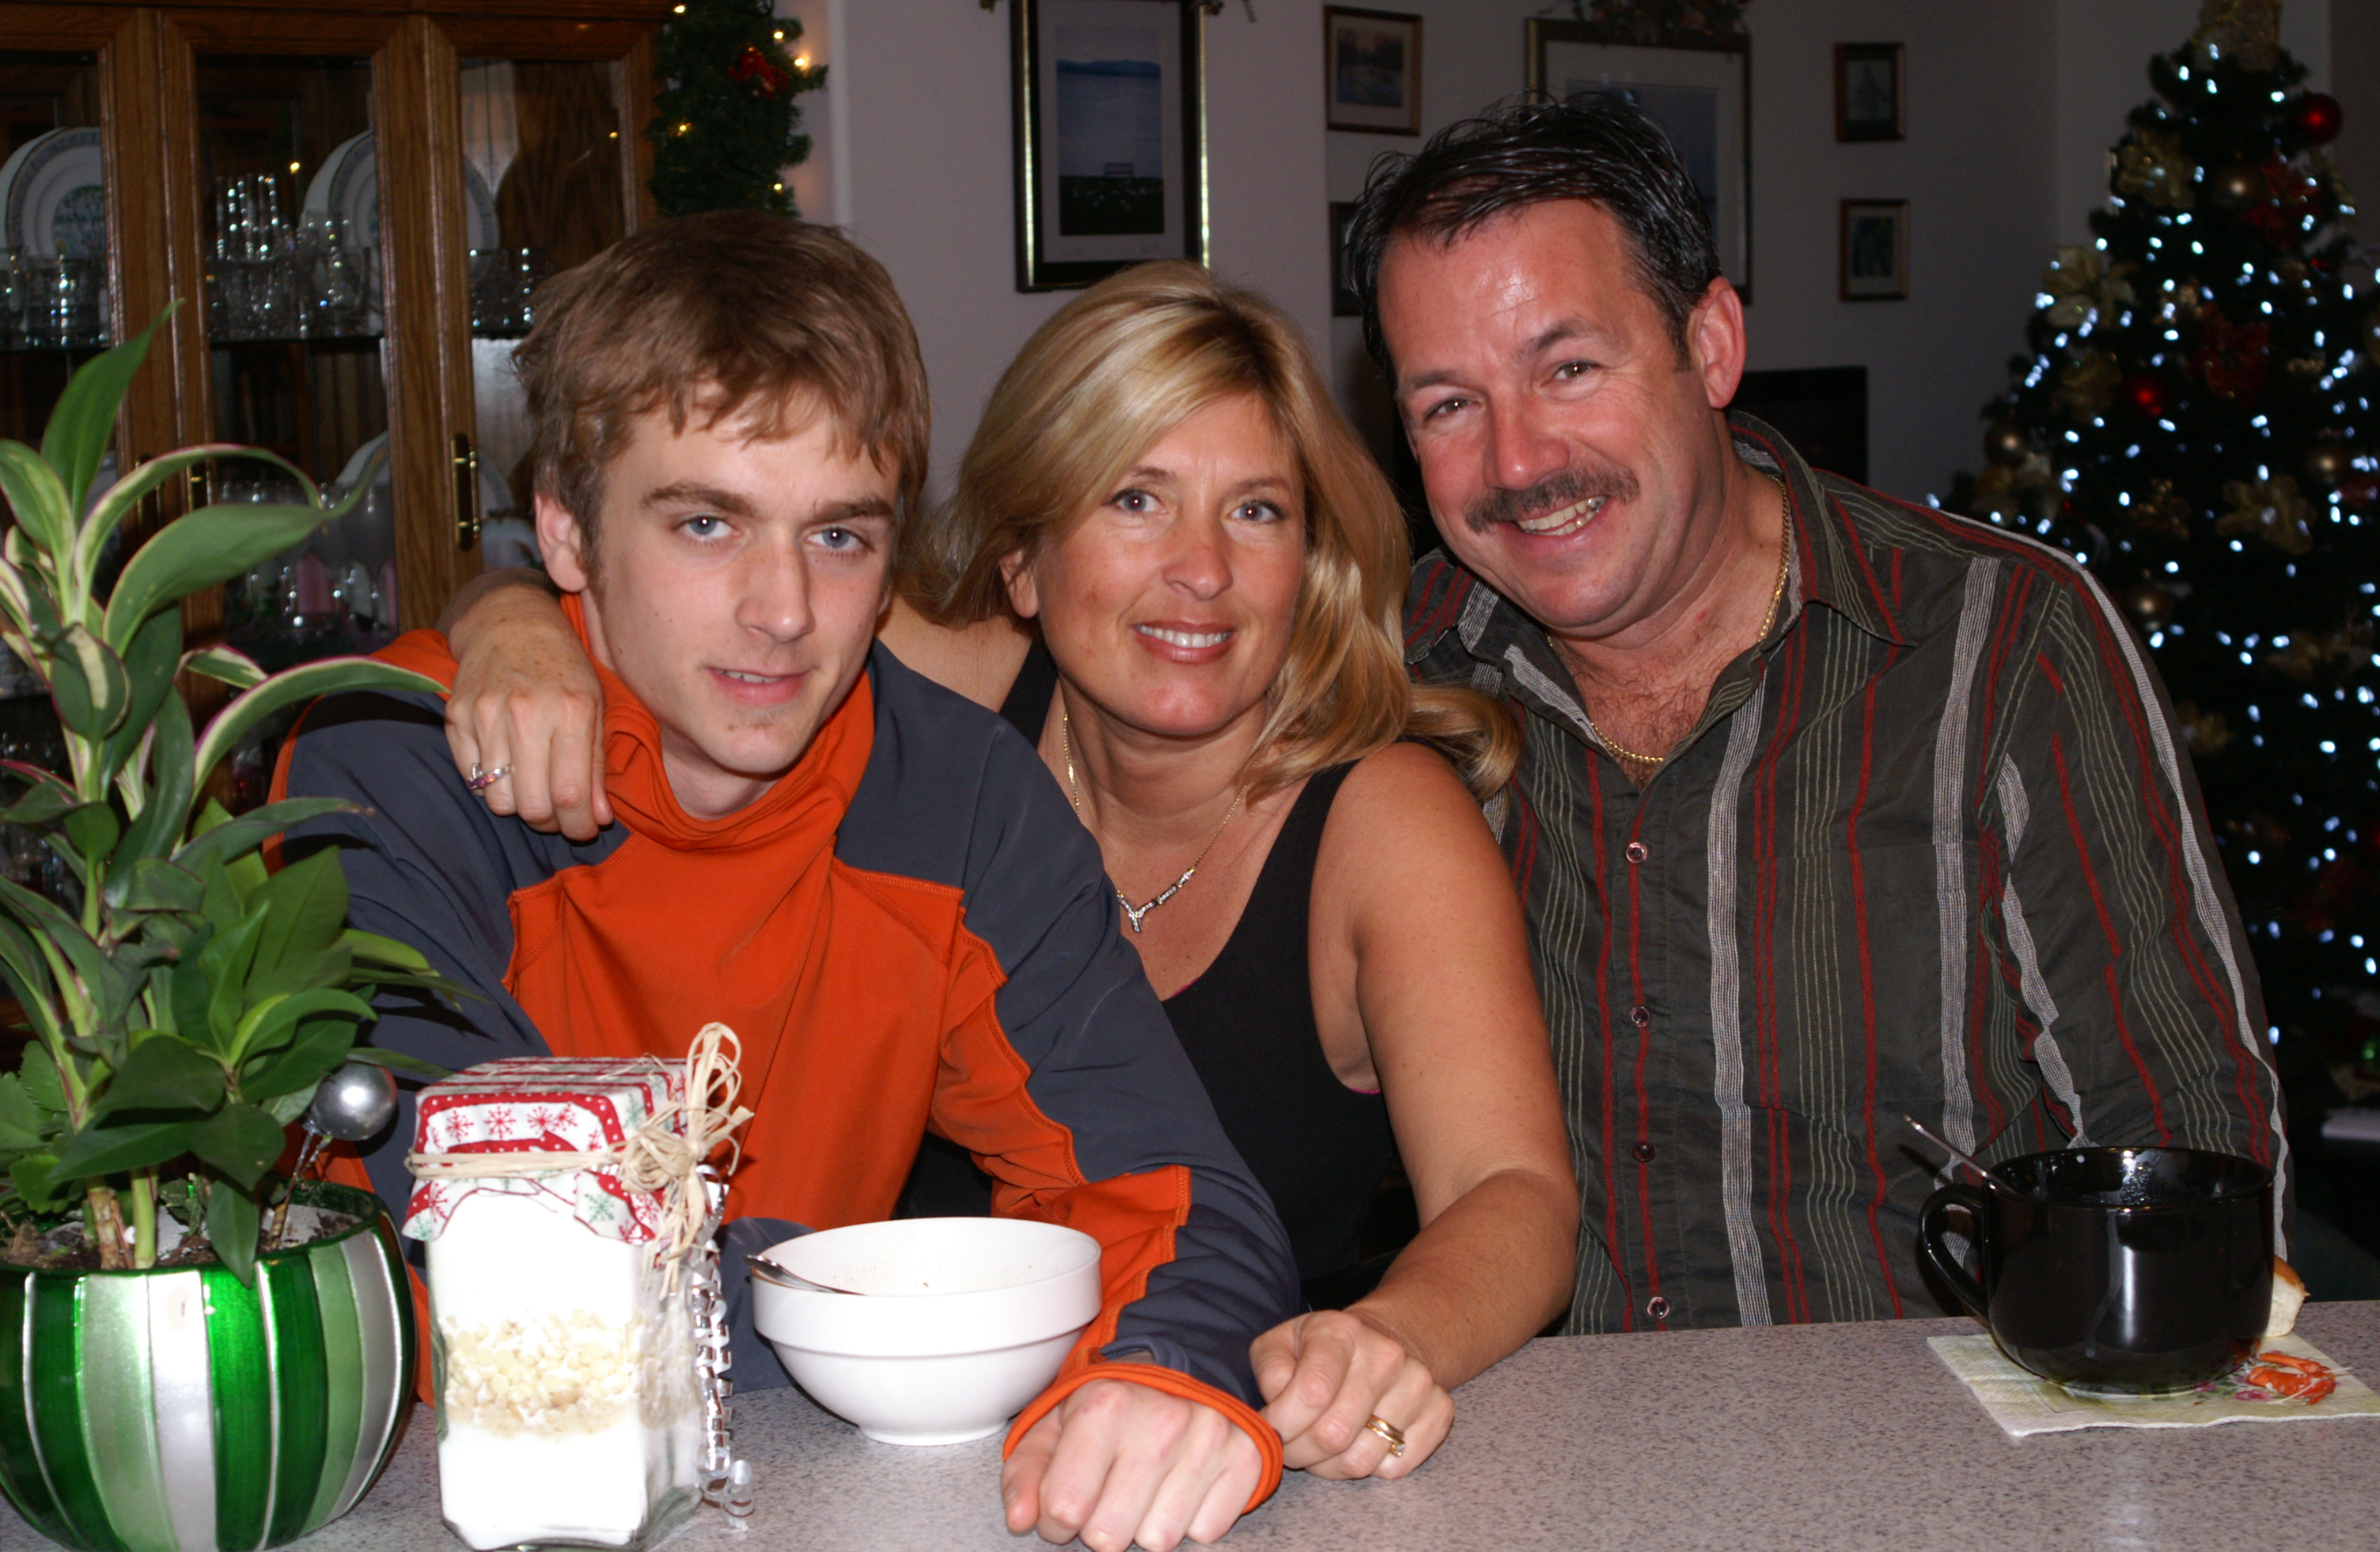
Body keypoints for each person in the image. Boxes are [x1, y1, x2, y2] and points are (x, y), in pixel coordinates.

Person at [434, 260, 1578, 1481]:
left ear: (1312, 558)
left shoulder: (1381, 818)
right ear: (1023, 565)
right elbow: (679, 597)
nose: (1203, 569)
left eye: (1256, 511)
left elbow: (1511, 1189)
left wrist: (1385, 1340)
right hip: (886, 1425)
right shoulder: (948, 701)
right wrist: (508, 622)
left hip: (1202, 1420)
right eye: (1136, 500)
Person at [278, 211, 1303, 1552]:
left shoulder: (961, 801)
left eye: (839, 537)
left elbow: (1176, 1194)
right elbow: (502, 1256)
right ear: (567, 535)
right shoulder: (395, 764)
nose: (782, 610)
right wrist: (896, 1323)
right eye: (707, 523)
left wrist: (1157, 1375)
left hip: (814, 1498)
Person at [1342, 95, 2290, 1332]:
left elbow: (2182, 1124)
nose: (1518, 463)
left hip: (1944, 1421)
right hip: (1548, 1427)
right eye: (1449, 406)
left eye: (1568, 369)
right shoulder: (1393, 680)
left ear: (1712, 345)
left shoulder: (2002, 643)